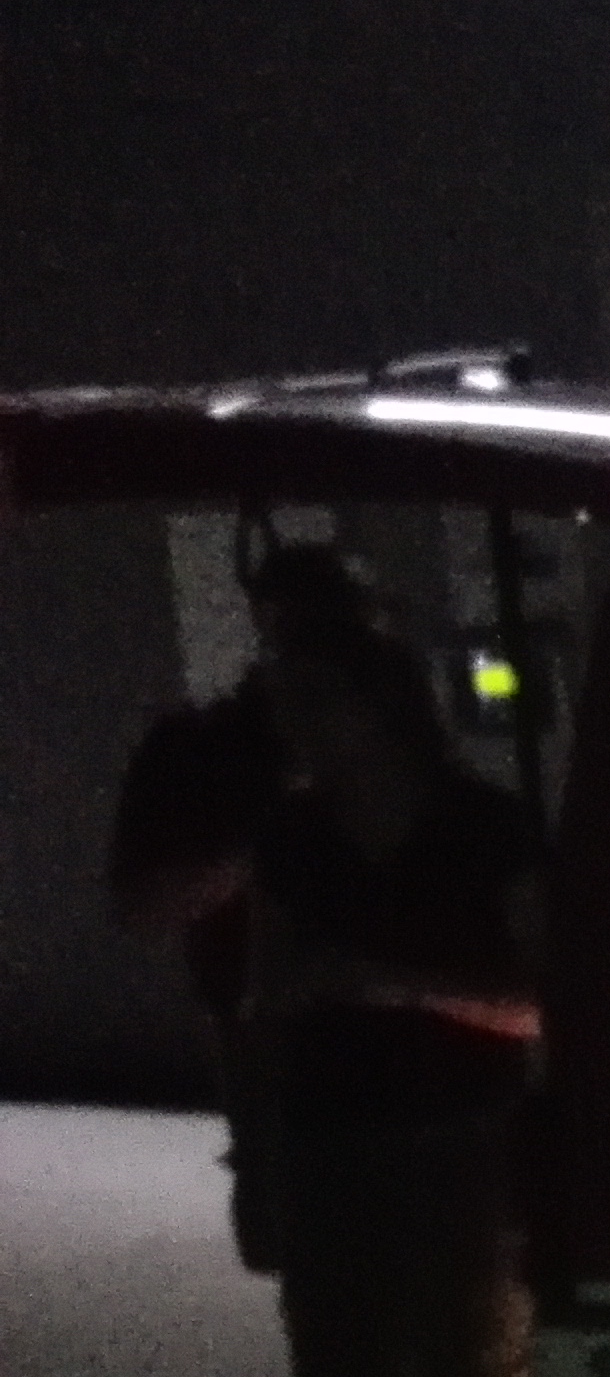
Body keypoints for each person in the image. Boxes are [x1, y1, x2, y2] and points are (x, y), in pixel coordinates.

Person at [159, 621, 589, 1377]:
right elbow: (261, 1000)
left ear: (381, 706)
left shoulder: (483, 825)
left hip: (465, 1138)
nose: (296, 727)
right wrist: (257, 1152)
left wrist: (391, 984)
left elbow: (543, 999)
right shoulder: (294, 837)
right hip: (332, 1139)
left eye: (314, 699)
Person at [105, 544, 388, 1275]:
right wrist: (262, 849)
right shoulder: (203, 752)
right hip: (285, 1048)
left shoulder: (400, 749)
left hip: (416, 1047)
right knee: (324, 1264)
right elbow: (143, 906)